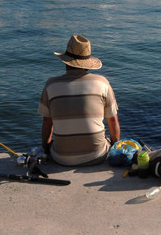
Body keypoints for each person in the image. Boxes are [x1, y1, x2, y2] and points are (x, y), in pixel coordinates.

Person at [39, 35, 120, 166]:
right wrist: (115, 149)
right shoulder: (102, 83)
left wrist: (46, 149)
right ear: (87, 64)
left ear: (66, 62)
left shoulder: (51, 85)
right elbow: (113, 121)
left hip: (61, 158)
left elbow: (47, 123)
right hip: (97, 156)